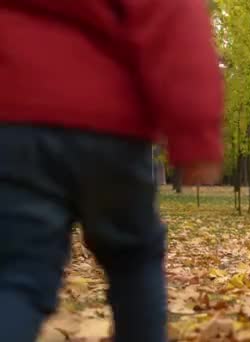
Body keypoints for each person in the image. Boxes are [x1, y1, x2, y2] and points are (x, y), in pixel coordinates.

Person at [0, 1, 223, 341]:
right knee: (133, 260)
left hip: (14, 121)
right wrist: (196, 137)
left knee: (16, 274)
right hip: (110, 130)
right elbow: (174, 21)